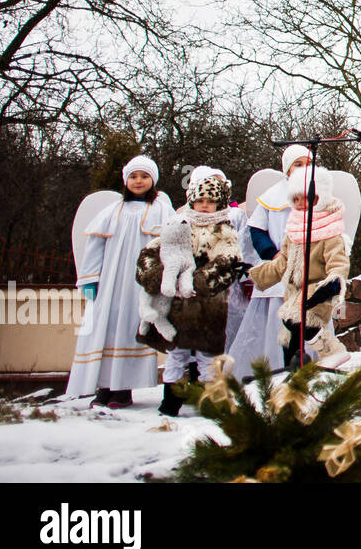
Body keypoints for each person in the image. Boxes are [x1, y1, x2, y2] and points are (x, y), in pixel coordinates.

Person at [134, 168, 245, 416]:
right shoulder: (178, 224)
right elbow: (151, 254)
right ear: (191, 200)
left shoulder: (225, 230)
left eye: (210, 201)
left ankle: (207, 400)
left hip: (209, 307)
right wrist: (162, 277)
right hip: (177, 306)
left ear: (219, 203)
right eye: (200, 200)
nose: (204, 206)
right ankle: (171, 400)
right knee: (176, 355)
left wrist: (198, 281)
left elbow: (229, 263)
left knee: (207, 357)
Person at [67, 155, 176, 407]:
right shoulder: (112, 210)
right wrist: (89, 279)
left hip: (139, 284)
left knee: (130, 330)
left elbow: (171, 243)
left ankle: (123, 389)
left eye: (144, 176)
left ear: (153, 180)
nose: (138, 181)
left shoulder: (161, 209)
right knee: (105, 331)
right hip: (109, 282)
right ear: (126, 180)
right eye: (133, 176)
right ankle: (104, 387)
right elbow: (95, 245)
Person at [249, 166, 350, 368]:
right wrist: (254, 275)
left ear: (318, 198)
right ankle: (294, 368)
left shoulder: (329, 230)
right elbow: (282, 264)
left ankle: (332, 350)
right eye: (295, 200)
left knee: (295, 319)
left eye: (305, 198)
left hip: (317, 290)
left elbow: (338, 261)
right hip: (295, 291)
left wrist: (334, 282)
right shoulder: (294, 230)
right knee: (290, 331)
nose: (300, 204)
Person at [228, 146, 311, 375]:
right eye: (298, 164)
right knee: (277, 323)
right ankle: (275, 368)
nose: (304, 169)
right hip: (280, 270)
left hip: (309, 269)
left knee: (309, 317)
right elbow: (257, 229)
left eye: (308, 164)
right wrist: (272, 254)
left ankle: (307, 366)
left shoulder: (320, 194)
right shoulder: (272, 195)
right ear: (287, 168)